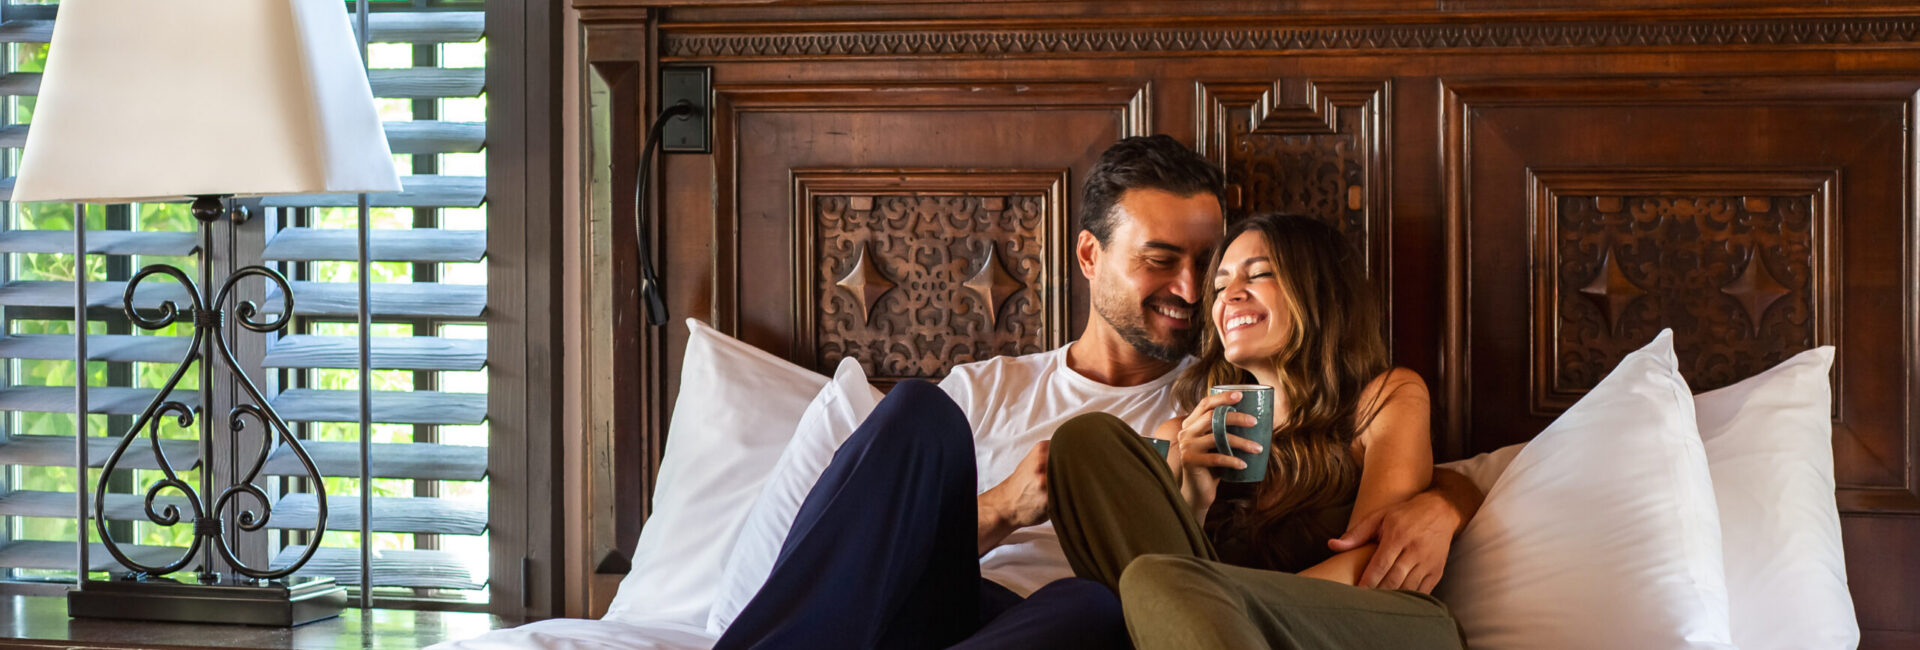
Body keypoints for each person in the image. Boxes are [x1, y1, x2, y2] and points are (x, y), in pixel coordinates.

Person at [716, 137, 1479, 649]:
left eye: (1209, 265)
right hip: (920, 610)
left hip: (1072, 628)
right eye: (1161, 260)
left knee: (1091, 607)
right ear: (1090, 254)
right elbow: (846, 551)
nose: (1192, 291)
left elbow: (1345, 445)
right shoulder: (985, 390)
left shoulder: (1222, 393)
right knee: (914, 410)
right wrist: (1004, 507)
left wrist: (1450, 497)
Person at [1047, 213, 1468, 648]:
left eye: (1260, 274)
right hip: (1214, 628)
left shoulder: (1383, 396)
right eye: (1219, 286)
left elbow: (1377, 560)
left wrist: (1221, 600)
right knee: (1082, 441)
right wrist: (1193, 498)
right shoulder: (1186, 433)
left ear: (1320, 292)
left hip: (1370, 624)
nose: (1230, 296)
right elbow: (1170, 575)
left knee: (1162, 580)